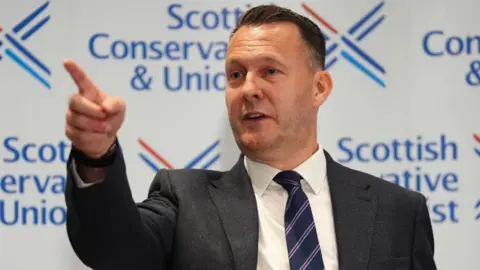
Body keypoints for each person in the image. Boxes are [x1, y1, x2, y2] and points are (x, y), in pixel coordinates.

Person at [63, 4, 437, 270]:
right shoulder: (185, 199)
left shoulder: (398, 212)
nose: (248, 90)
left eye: (270, 71)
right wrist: (96, 156)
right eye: (236, 75)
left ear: (319, 87)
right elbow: (114, 250)